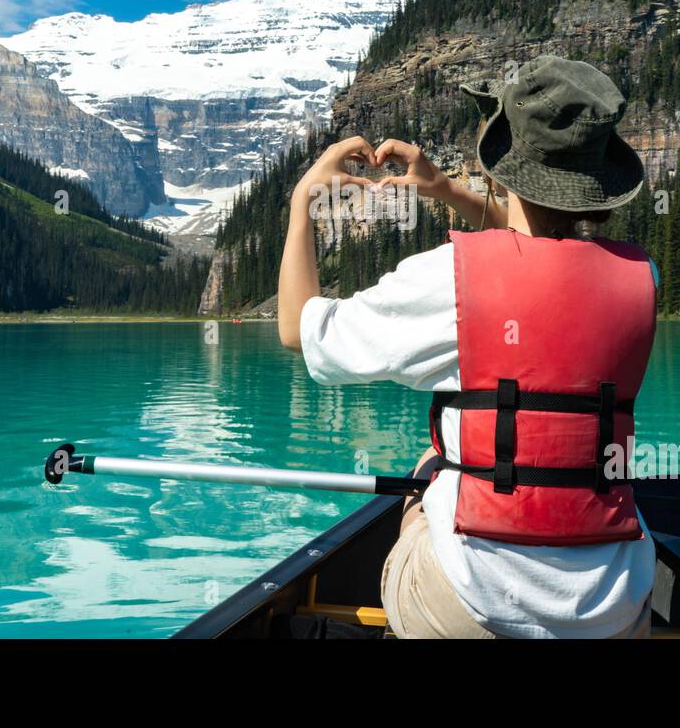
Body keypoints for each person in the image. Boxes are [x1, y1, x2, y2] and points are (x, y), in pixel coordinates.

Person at [277, 55, 659, 639]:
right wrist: (447, 189)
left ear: (501, 173)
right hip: (613, 611)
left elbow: (300, 331)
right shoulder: (640, 278)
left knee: (430, 469)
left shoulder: (450, 278)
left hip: (471, 608)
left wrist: (303, 201)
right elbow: (546, 251)